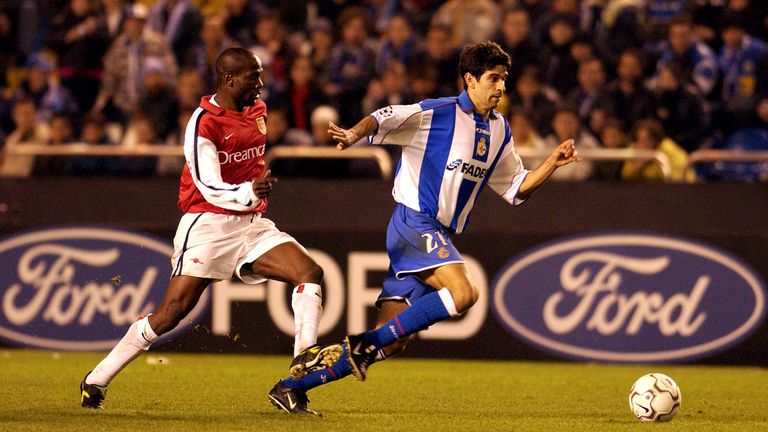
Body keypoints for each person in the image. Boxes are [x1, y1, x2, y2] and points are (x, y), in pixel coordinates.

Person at [267, 41, 581, 415]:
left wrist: (551, 163)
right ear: (470, 79)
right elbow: (384, 117)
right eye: (493, 79)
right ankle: (363, 344)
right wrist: (353, 133)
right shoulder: (437, 113)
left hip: (437, 235)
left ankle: (292, 387)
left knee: (392, 341)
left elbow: (515, 189)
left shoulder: (499, 130)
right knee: (464, 293)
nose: (501, 88)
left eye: (504, 80)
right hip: (414, 223)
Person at [79, 47, 341, 413]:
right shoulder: (203, 123)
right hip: (207, 223)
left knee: (309, 272)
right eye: (254, 77)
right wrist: (248, 191)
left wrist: (250, 195)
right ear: (230, 79)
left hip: (251, 224)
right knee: (171, 313)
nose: (261, 84)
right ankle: (97, 379)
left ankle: (297, 377)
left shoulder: (258, 111)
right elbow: (206, 183)